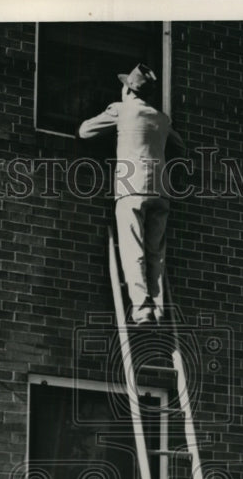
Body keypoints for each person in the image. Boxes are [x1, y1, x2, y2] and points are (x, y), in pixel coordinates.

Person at [79, 63, 184, 327]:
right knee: (155, 252)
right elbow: (180, 146)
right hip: (161, 191)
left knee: (132, 247)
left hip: (131, 188)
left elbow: (84, 131)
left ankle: (142, 309)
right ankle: (160, 309)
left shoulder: (121, 110)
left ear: (127, 89)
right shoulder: (161, 118)